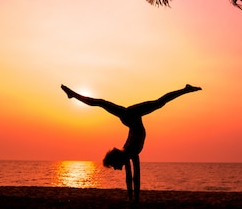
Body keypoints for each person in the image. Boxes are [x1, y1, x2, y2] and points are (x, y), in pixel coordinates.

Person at [60, 83, 202, 202]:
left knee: (158, 103)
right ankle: (73, 95)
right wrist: (132, 199)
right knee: (101, 103)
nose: (116, 169)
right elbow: (130, 178)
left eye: (114, 166)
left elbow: (135, 177)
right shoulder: (128, 153)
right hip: (127, 117)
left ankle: (186, 89)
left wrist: (135, 200)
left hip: (131, 115)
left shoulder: (131, 152)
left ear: (118, 161)